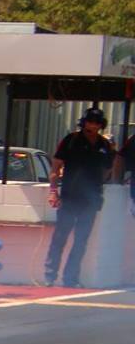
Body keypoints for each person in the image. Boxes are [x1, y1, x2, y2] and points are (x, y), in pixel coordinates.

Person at [44, 107, 115, 287]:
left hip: (91, 200)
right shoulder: (71, 140)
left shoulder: (104, 145)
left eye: (97, 123)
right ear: (84, 122)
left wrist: (97, 184)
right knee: (60, 237)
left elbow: (108, 169)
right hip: (69, 197)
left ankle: (71, 278)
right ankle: (50, 276)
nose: (93, 125)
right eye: (90, 121)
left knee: (81, 241)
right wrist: (53, 191)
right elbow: (55, 167)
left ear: (101, 125)